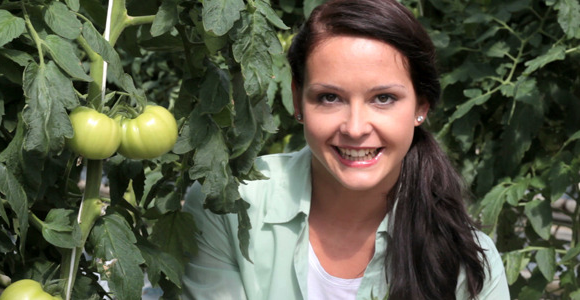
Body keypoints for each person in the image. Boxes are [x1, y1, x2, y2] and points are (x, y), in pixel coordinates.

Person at [181, 0, 510, 299]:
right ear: (298, 99)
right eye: (330, 97)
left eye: (383, 98)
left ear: (420, 106)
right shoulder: (229, 203)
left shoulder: (469, 262)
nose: (355, 128)